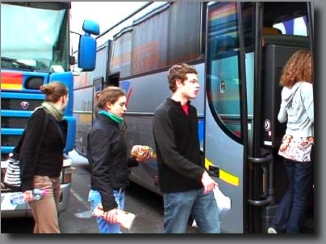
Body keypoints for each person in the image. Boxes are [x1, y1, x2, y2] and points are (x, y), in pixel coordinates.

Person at [152, 63, 220, 233]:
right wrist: (201, 173)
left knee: (213, 230)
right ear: (178, 83)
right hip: (178, 189)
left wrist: (203, 173)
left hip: (200, 186)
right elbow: (169, 155)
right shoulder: (164, 113)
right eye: (192, 81)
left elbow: (192, 148)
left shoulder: (192, 110)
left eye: (197, 81)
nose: (197, 85)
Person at [87, 86, 150, 234]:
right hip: (106, 194)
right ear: (109, 104)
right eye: (121, 104)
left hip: (114, 192)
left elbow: (114, 161)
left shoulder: (111, 127)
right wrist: (109, 204)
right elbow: (99, 169)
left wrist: (135, 160)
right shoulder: (102, 130)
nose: (125, 108)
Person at [268, 49, 314, 234]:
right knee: (302, 195)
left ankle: (276, 225)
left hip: (288, 145)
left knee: (293, 188)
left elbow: (280, 118)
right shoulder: (307, 88)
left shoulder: (287, 89)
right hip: (304, 146)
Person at [20, 81, 69, 233]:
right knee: (51, 230)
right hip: (40, 182)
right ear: (64, 97)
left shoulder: (57, 118)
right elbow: (28, 150)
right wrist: (27, 184)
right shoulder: (40, 115)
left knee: (42, 228)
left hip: (53, 179)